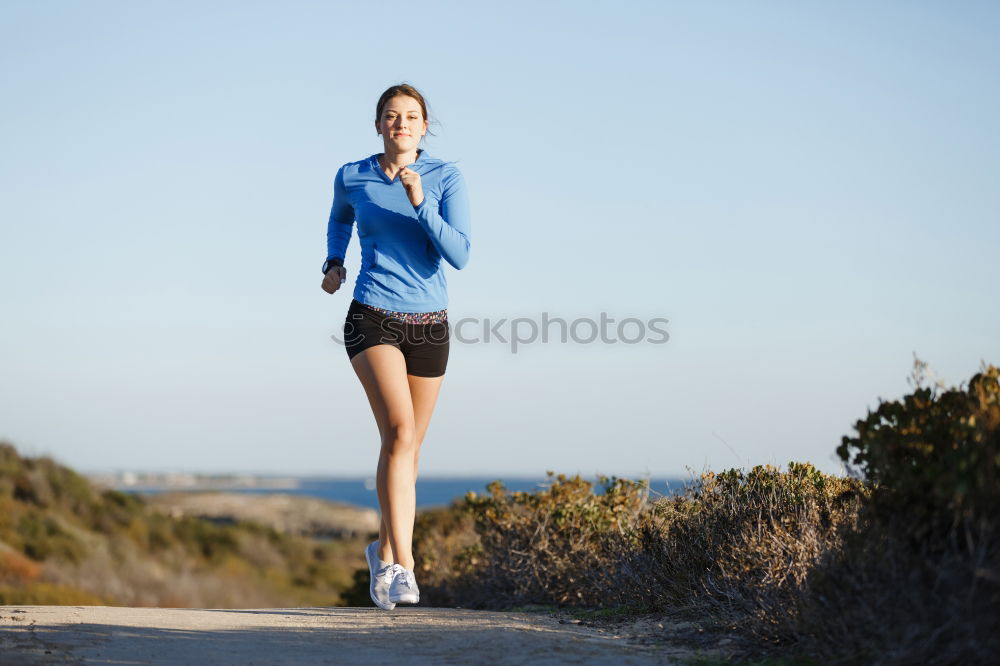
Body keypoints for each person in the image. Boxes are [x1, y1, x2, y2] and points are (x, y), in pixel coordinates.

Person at [320, 83, 471, 610]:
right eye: (391, 116)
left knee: (406, 447)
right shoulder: (353, 175)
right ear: (379, 124)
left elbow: (459, 254)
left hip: (430, 324)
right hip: (372, 315)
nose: (400, 124)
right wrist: (334, 261)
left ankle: (380, 550)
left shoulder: (446, 177)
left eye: (410, 116)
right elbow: (340, 218)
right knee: (401, 433)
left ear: (424, 126)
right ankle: (401, 566)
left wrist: (420, 202)